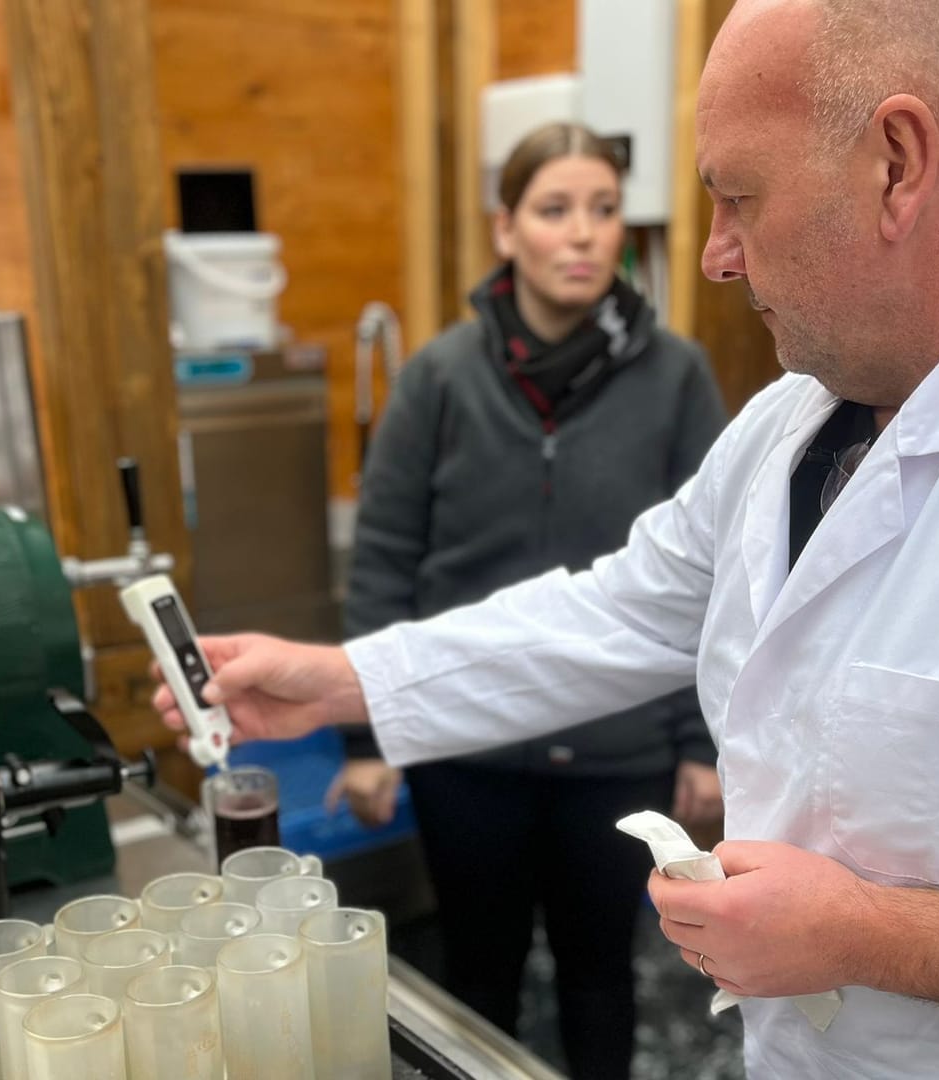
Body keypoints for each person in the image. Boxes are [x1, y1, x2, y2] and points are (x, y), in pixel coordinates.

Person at [158, 0, 939, 1075]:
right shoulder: (795, 421)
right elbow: (622, 607)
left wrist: (875, 936)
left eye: (735, 199)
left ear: (896, 162)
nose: (711, 257)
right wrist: (340, 682)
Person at [328, 122, 728, 1079]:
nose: (583, 234)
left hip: (616, 754)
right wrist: (371, 734)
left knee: (603, 975)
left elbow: (716, 581)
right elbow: (385, 559)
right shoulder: (438, 379)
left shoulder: (676, 378)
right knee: (478, 973)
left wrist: (701, 744)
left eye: (602, 211)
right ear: (506, 230)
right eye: (555, 210)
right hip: (469, 751)